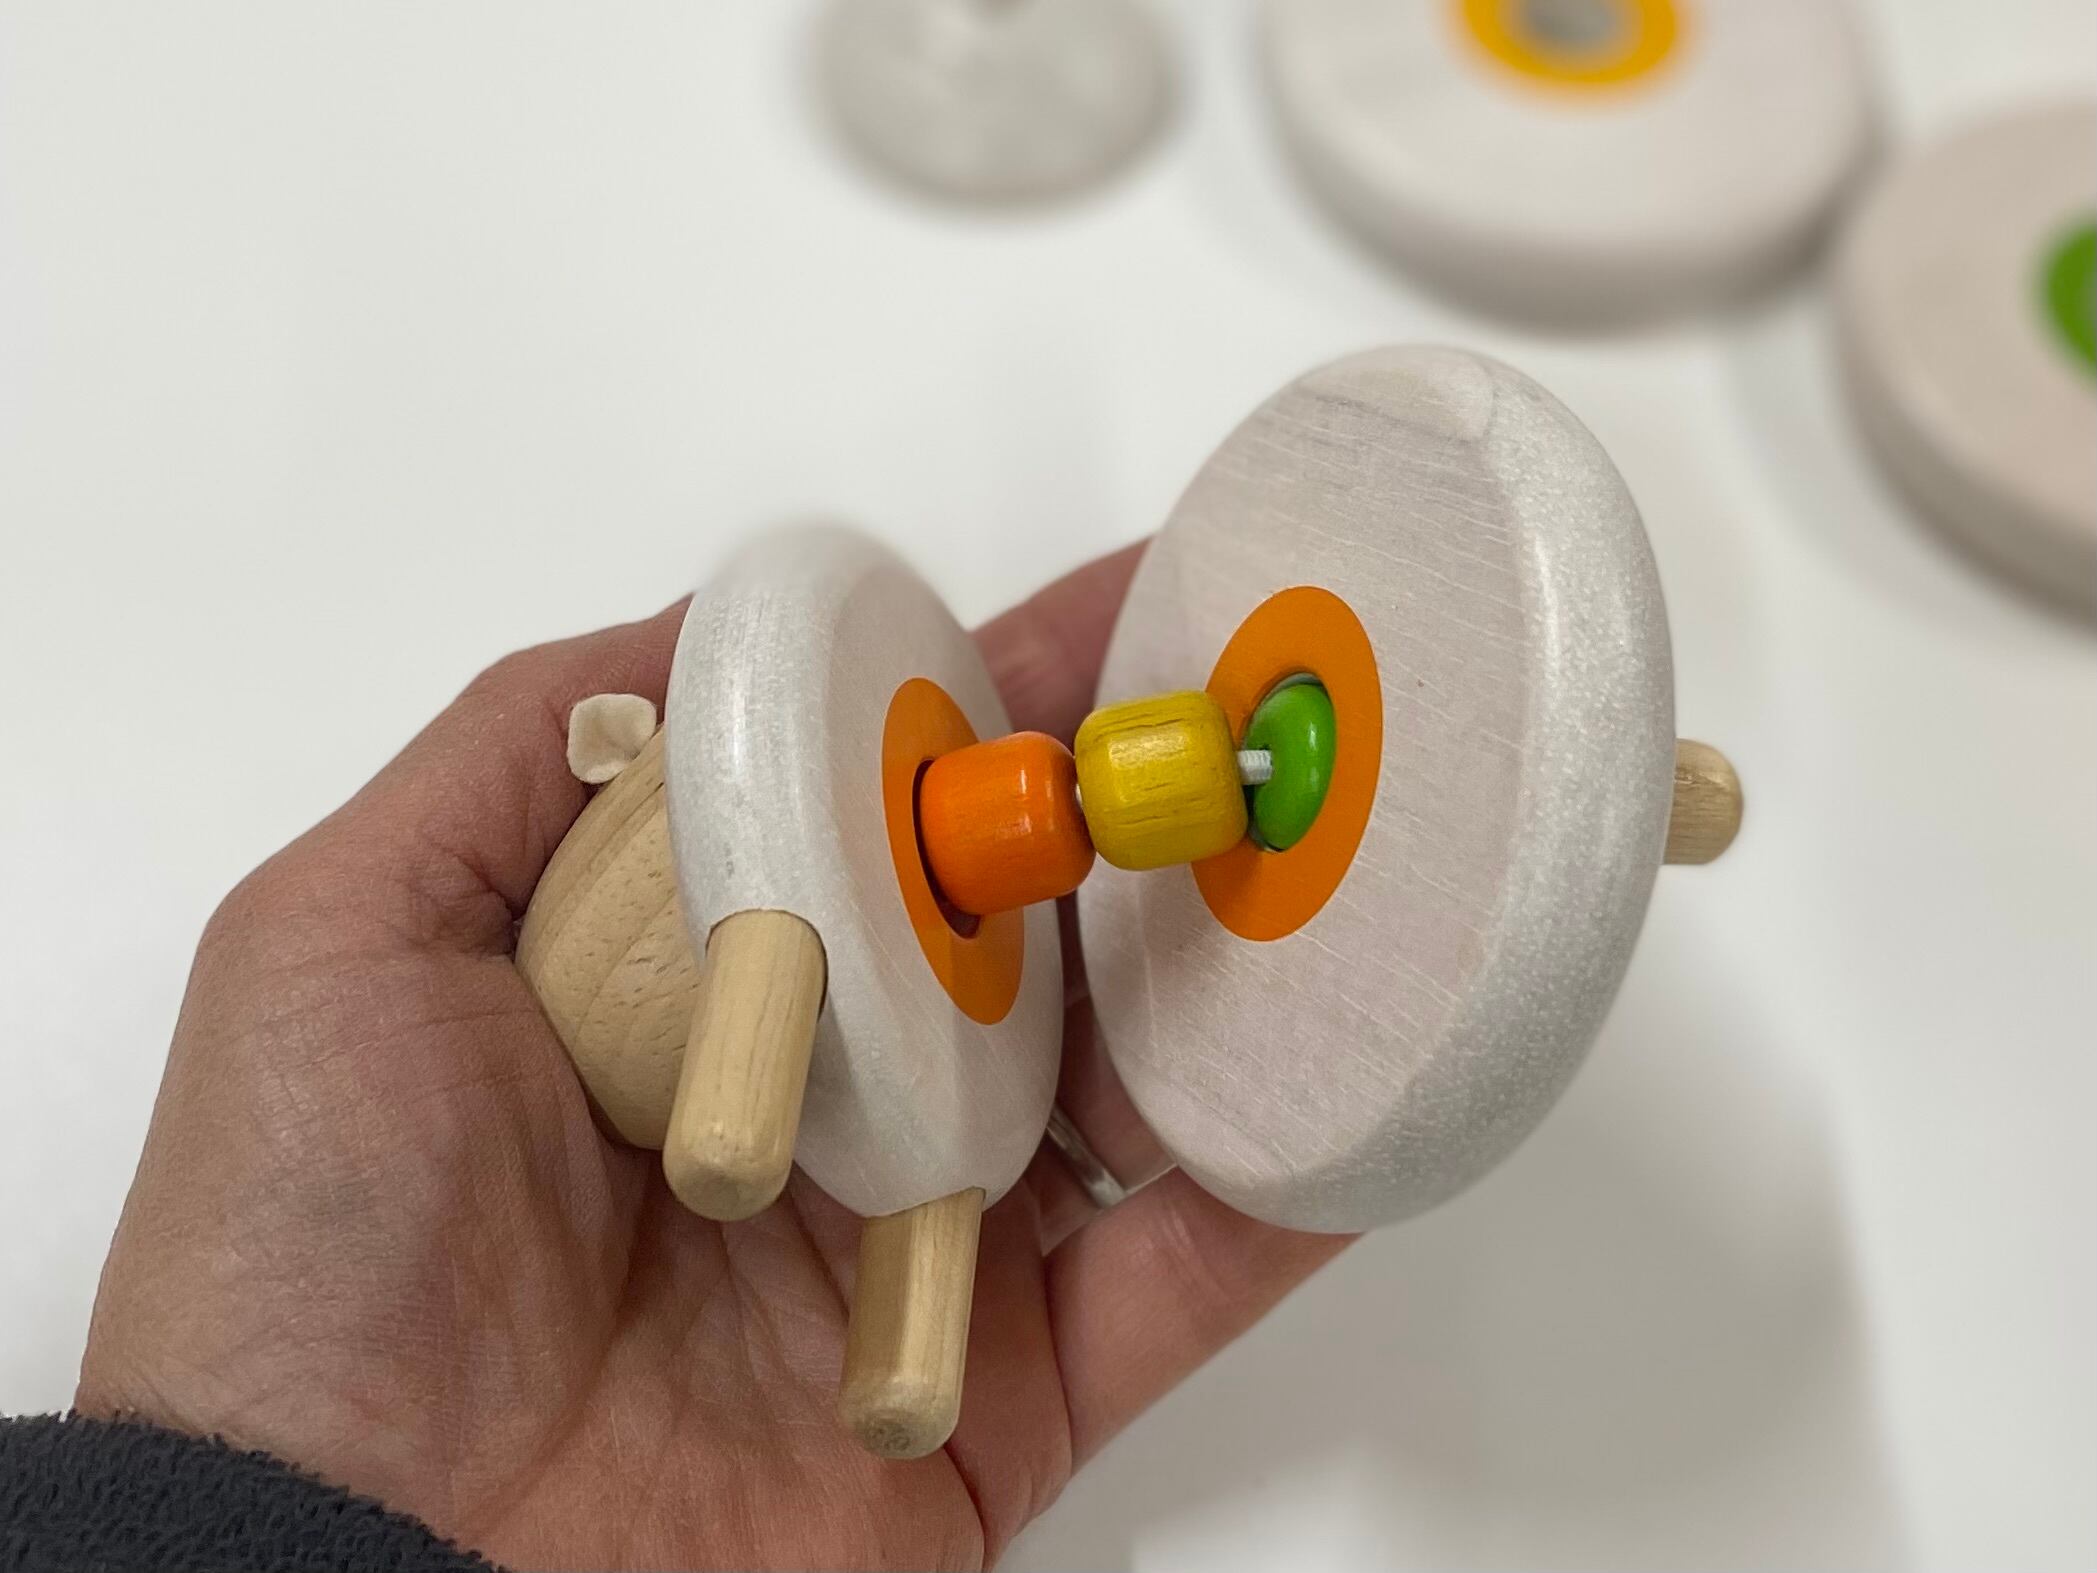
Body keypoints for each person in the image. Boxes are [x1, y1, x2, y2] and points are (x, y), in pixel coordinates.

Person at [1, 547, 1351, 1572]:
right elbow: (723, 1133)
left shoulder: (973, 1090)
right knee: (779, 1136)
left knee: (904, 1186)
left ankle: (901, 1293)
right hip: (662, 999)